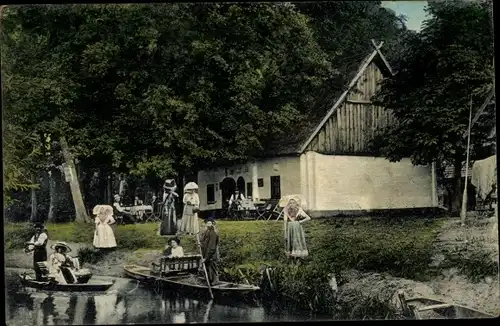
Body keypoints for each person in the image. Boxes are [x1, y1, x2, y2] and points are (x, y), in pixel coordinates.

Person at [198, 218, 219, 285]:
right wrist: (200, 244)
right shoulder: (206, 231)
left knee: (212, 269)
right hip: (206, 255)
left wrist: (206, 258)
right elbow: (205, 243)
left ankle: (214, 283)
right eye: (207, 223)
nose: (208, 225)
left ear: (212, 224)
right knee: (208, 270)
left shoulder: (213, 233)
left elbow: (211, 247)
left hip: (211, 255)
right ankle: (209, 282)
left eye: (210, 223)